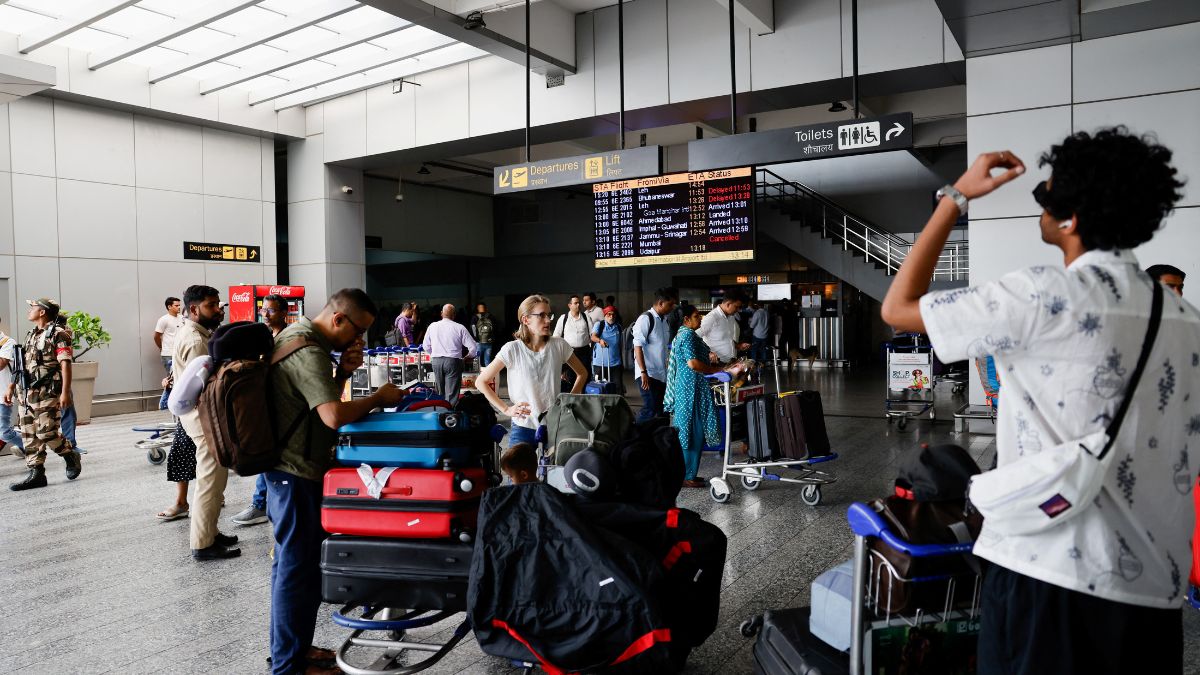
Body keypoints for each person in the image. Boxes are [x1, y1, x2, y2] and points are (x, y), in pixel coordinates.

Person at [880, 129, 1195, 674]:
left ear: (1070, 218)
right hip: (1153, 594)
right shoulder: (1187, 323)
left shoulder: (1042, 295)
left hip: (1045, 577)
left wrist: (955, 197)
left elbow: (899, 305)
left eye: (1045, 197)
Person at [264, 288, 405, 675]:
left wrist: (343, 371)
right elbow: (332, 416)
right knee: (296, 570)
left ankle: (294, 651)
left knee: (295, 567)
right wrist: (378, 396)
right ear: (338, 319)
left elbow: (308, 402)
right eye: (357, 331)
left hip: (290, 469)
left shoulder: (298, 338)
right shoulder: (307, 350)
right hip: (294, 473)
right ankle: (288, 665)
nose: (360, 340)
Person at [170, 285, 241, 559]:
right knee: (210, 482)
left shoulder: (197, 333)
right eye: (212, 305)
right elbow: (207, 387)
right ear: (194, 309)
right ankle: (202, 543)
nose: (219, 309)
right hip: (203, 420)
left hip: (198, 417)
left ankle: (210, 531)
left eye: (218, 304)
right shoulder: (196, 341)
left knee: (213, 480)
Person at [475, 294, 587, 447]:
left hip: (554, 425)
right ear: (526, 319)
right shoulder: (512, 349)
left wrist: (569, 400)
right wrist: (506, 409)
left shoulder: (559, 345)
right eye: (541, 315)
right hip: (523, 426)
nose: (548, 320)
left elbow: (582, 373)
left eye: (549, 315)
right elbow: (481, 381)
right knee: (518, 469)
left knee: (553, 470)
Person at [7, 298, 80, 491]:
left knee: (46, 432)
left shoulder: (59, 334)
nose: (29, 310)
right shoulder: (31, 334)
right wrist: (11, 386)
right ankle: (37, 473)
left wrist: (65, 392)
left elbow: (65, 363)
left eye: (33, 307)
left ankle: (69, 454)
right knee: (29, 434)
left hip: (47, 392)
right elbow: (21, 365)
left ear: (42, 312)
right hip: (26, 394)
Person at [229, 295, 289, 528]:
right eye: (264, 310)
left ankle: (261, 504)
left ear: (284, 313)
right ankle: (262, 503)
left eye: (271, 310)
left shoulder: (288, 338)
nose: (265, 314)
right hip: (264, 405)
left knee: (268, 457)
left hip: (280, 405)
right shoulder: (264, 338)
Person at [664, 304, 725, 488]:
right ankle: (687, 475)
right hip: (691, 391)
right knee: (692, 432)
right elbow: (693, 364)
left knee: (689, 430)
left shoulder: (682, 335)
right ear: (686, 320)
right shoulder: (687, 335)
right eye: (697, 316)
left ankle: (688, 473)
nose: (700, 319)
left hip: (688, 388)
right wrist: (715, 370)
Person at [631, 288, 676, 423]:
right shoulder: (646, 319)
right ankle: (636, 437)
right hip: (648, 374)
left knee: (662, 410)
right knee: (650, 408)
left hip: (661, 374)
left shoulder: (664, 320)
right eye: (670, 304)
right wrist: (643, 372)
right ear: (661, 303)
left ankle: (659, 439)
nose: (672, 308)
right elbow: (637, 346)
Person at [422, 304, 477, 405]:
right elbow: (473, 347)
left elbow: (426, 346)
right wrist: (467, 357)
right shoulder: (459, 327)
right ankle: (450, 416)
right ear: (454, 315)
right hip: (453, 362)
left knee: (440, 391)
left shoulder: (432, 326)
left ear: (442, 314)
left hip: (436, 361)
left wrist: (434, 354)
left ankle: (440, 412)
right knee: (451, 393)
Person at [552, 295, 592, 389]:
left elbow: (592, 334)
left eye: (579, 302)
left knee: (585, 376)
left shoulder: (586, 317)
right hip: (569, 352)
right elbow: (556, 336)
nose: (578, 305)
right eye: (575, 303)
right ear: (569, 305)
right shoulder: (563, 318)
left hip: (584, 352)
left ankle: (583, 400)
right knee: (571, 377)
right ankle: (572, 400)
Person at [698, 291, 749, 364]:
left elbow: (727, 338)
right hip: (715, 363)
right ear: (728, 304)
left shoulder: (731, 317)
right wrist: (707, 352)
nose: (738, 310)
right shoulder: (712, 317)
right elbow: (694, 337)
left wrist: (738, 346)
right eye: (736, 307)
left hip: (730, 362)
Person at [0, 318, 26, 458]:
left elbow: (1, 364)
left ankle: (30, 447)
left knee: (4, 432)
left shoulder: (7, 342)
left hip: (3, 395)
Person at [154, 296, 183, 410]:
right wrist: (161, 347)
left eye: (179, 305)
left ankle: (176, 403)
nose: (179, 307)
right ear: (169, 307)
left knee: (180, 378)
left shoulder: (182, 318)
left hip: (180, 353)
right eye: (176, 305)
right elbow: (156, 336)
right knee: (172, 379)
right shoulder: (163, 320)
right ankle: (167, 402)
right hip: (168, 354)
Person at [590, 306, 623, 392]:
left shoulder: (618, 327)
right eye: (609, 314)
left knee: (617, 386)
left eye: (613, 315)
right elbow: (593, 337)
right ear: (605, 315)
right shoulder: (599, 325)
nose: (611, 317)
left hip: (615, 363)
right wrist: (600, 340)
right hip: (599, 363)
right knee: (600, 387)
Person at [471, 302, 498, 368]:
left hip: (479, 342)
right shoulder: (491, 316)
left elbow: (473, 328)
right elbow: (495, 328)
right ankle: (487, 376)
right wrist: (492, 337)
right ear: (485, 308)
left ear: (477, 308)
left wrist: (475, 338)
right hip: (489, 342)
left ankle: (478, 376)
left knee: (477, 360)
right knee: (487, 360)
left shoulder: (475, 317)